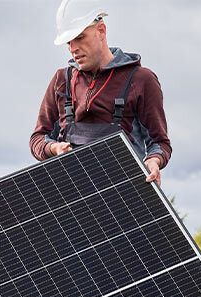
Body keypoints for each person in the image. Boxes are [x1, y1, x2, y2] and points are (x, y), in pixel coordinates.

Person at [29, 2, 171, 184]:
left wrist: (154, 161)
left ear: (101, 30)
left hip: (126, 199)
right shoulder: (62, 80)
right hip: (69, 198)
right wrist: (53, 148)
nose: (73, 48)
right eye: (68, 42)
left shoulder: (141, 80)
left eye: (79, 37)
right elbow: (38, 138)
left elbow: (160, 142)